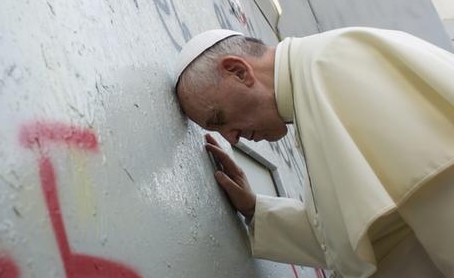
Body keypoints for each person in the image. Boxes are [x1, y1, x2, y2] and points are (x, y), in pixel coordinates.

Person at [173, 27, 454, 277]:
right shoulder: (314, 85)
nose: (231, 139)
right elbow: (354, 237)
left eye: (220, 119)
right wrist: (253, 208)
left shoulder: (336, 62)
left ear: (238, 71)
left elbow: (436, 188)